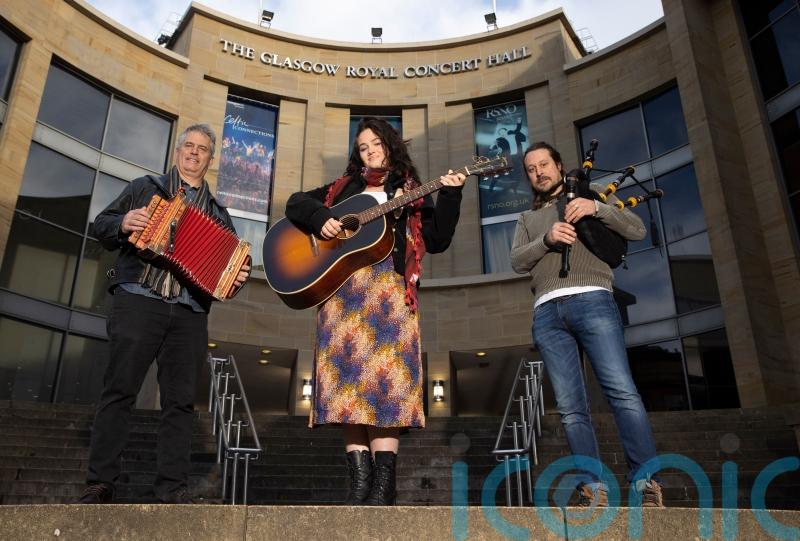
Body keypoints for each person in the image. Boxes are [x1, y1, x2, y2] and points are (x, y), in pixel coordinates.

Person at [284, 117, 466, 505]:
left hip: (390, 295)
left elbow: (437, 239)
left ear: (391, 145)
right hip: (342, 295)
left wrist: (451, 195)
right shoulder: (342, 189)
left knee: (387, 392)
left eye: (376, 144)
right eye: (362, 146)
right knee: (347, 391)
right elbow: (295, 203)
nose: (369, 151)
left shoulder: (412, 190)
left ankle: (384, 486)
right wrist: (323, 219)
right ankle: (358, 484)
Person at [77, 124, 251, 504]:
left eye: (202, 149)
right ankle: (101, 480)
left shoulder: (220, 215)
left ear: (210, 159)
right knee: (120, 390)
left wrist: (237, 276)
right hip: (139, 298)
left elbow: (226, 274)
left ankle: (171, 487)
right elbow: (101, 225)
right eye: (188, 146)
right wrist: (123, 222)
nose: (193, 153)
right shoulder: (145, 188)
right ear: (177, 152)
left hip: (188, 312)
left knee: (180, 402)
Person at [509, 141, 664, 508]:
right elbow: (517, 260)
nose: (539, 172)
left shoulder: (588, 194)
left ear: (559, 165)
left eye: (544, 164)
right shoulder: (527, 219)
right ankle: (592, 486)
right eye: (531, 169)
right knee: (570, 407)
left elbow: (637, 229)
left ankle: (645, 483)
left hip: (593, 298)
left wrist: (597, 207)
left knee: (622, 392)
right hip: (547, 312)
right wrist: (546, 239)